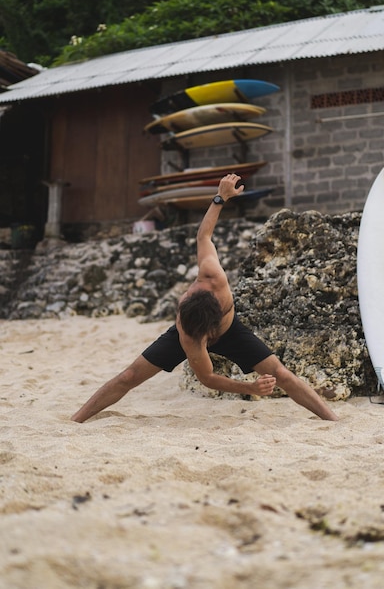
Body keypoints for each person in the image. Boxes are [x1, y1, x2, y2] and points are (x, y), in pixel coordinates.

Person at [71, 173, 338, 423]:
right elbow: (208, 377)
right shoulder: (188, 334)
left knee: (281, 374)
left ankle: (332, 420)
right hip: (192, 331)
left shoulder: (214, 278)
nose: (206, 340)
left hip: (231, 331)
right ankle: (76, 420)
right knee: (128, 376)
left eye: (207, 335)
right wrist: (250, 387)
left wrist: (220, 197)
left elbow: (204, 235)